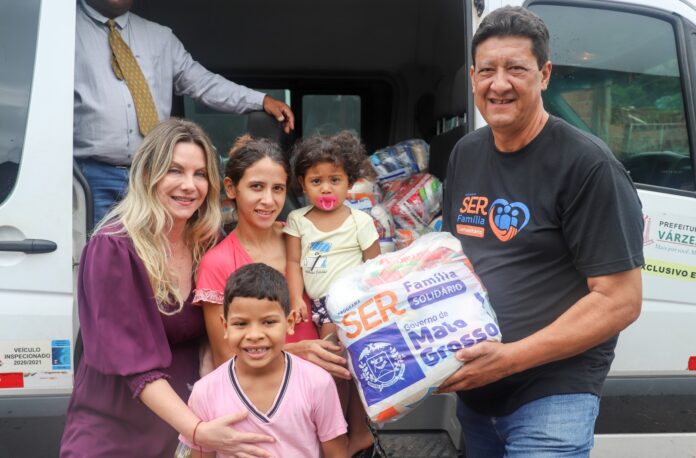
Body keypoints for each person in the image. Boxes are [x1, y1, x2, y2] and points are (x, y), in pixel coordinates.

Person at [438, 6, 644, 457]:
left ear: (544, 74)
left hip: (554, 393)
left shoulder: (588, 165)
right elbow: (450, 262)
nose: (499, 84)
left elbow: (620, 300)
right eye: (487, 70)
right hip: (478, 393)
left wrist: (509, 359)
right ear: (472, 78)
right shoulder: (466, 153)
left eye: (516, 69)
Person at [60, 119, 276, 458]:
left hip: (180, 433)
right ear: (147, 174)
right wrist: (198, 430)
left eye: (200, 174)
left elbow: (224, 321)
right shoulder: (113, 248)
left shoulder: (208, 242)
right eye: (174, 171)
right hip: (115, 434)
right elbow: (136, 367)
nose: (189, 186)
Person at [74, 0, 295, 225]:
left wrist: (261, 100)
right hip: (90, 176)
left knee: (155, 245)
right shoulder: (62, 30)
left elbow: (202, 83)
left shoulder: (159, 37)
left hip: (156, 173)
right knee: (102, 246)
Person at [180, 262, 348, 458]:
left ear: (290, 322)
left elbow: (337, 453)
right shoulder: (205, 393)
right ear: (225, 327)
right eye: (241, 324)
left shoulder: (317, 383)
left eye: (268, 322)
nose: (254, 335)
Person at [284, 131, 380, 456]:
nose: (326, 188)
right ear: (302, 183)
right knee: (341, 370)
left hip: (351, 302)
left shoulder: (360, 221)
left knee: (341, 370)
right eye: (316, 181)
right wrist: (296, 299)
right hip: (320, 304)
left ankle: (346, 435)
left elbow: (375, 268)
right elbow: (293, 262)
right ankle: (350, 433)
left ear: (349, 182)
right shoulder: (298, 220)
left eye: (335, 180)